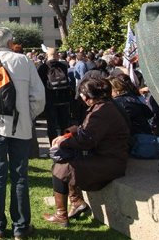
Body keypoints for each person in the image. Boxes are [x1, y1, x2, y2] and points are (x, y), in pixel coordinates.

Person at [0, 28, 45, 239]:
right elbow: (39, 97)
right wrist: (26, 115)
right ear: (11, 42)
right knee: (20, 176)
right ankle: (21, 226)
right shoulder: (24, 61)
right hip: (20, 127)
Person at [44, 77, 130, 228]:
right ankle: (76, 202)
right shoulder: (105, 107)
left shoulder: (102, 111)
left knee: (60, 168)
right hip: (110, 158)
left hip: (110, 162)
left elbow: (86, 140)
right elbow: (86, 129)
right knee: (66, 159)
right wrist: (67, 135)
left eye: (83, 93)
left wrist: (63, 143)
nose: (82, 97)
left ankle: (61, 214)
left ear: (88, 95)